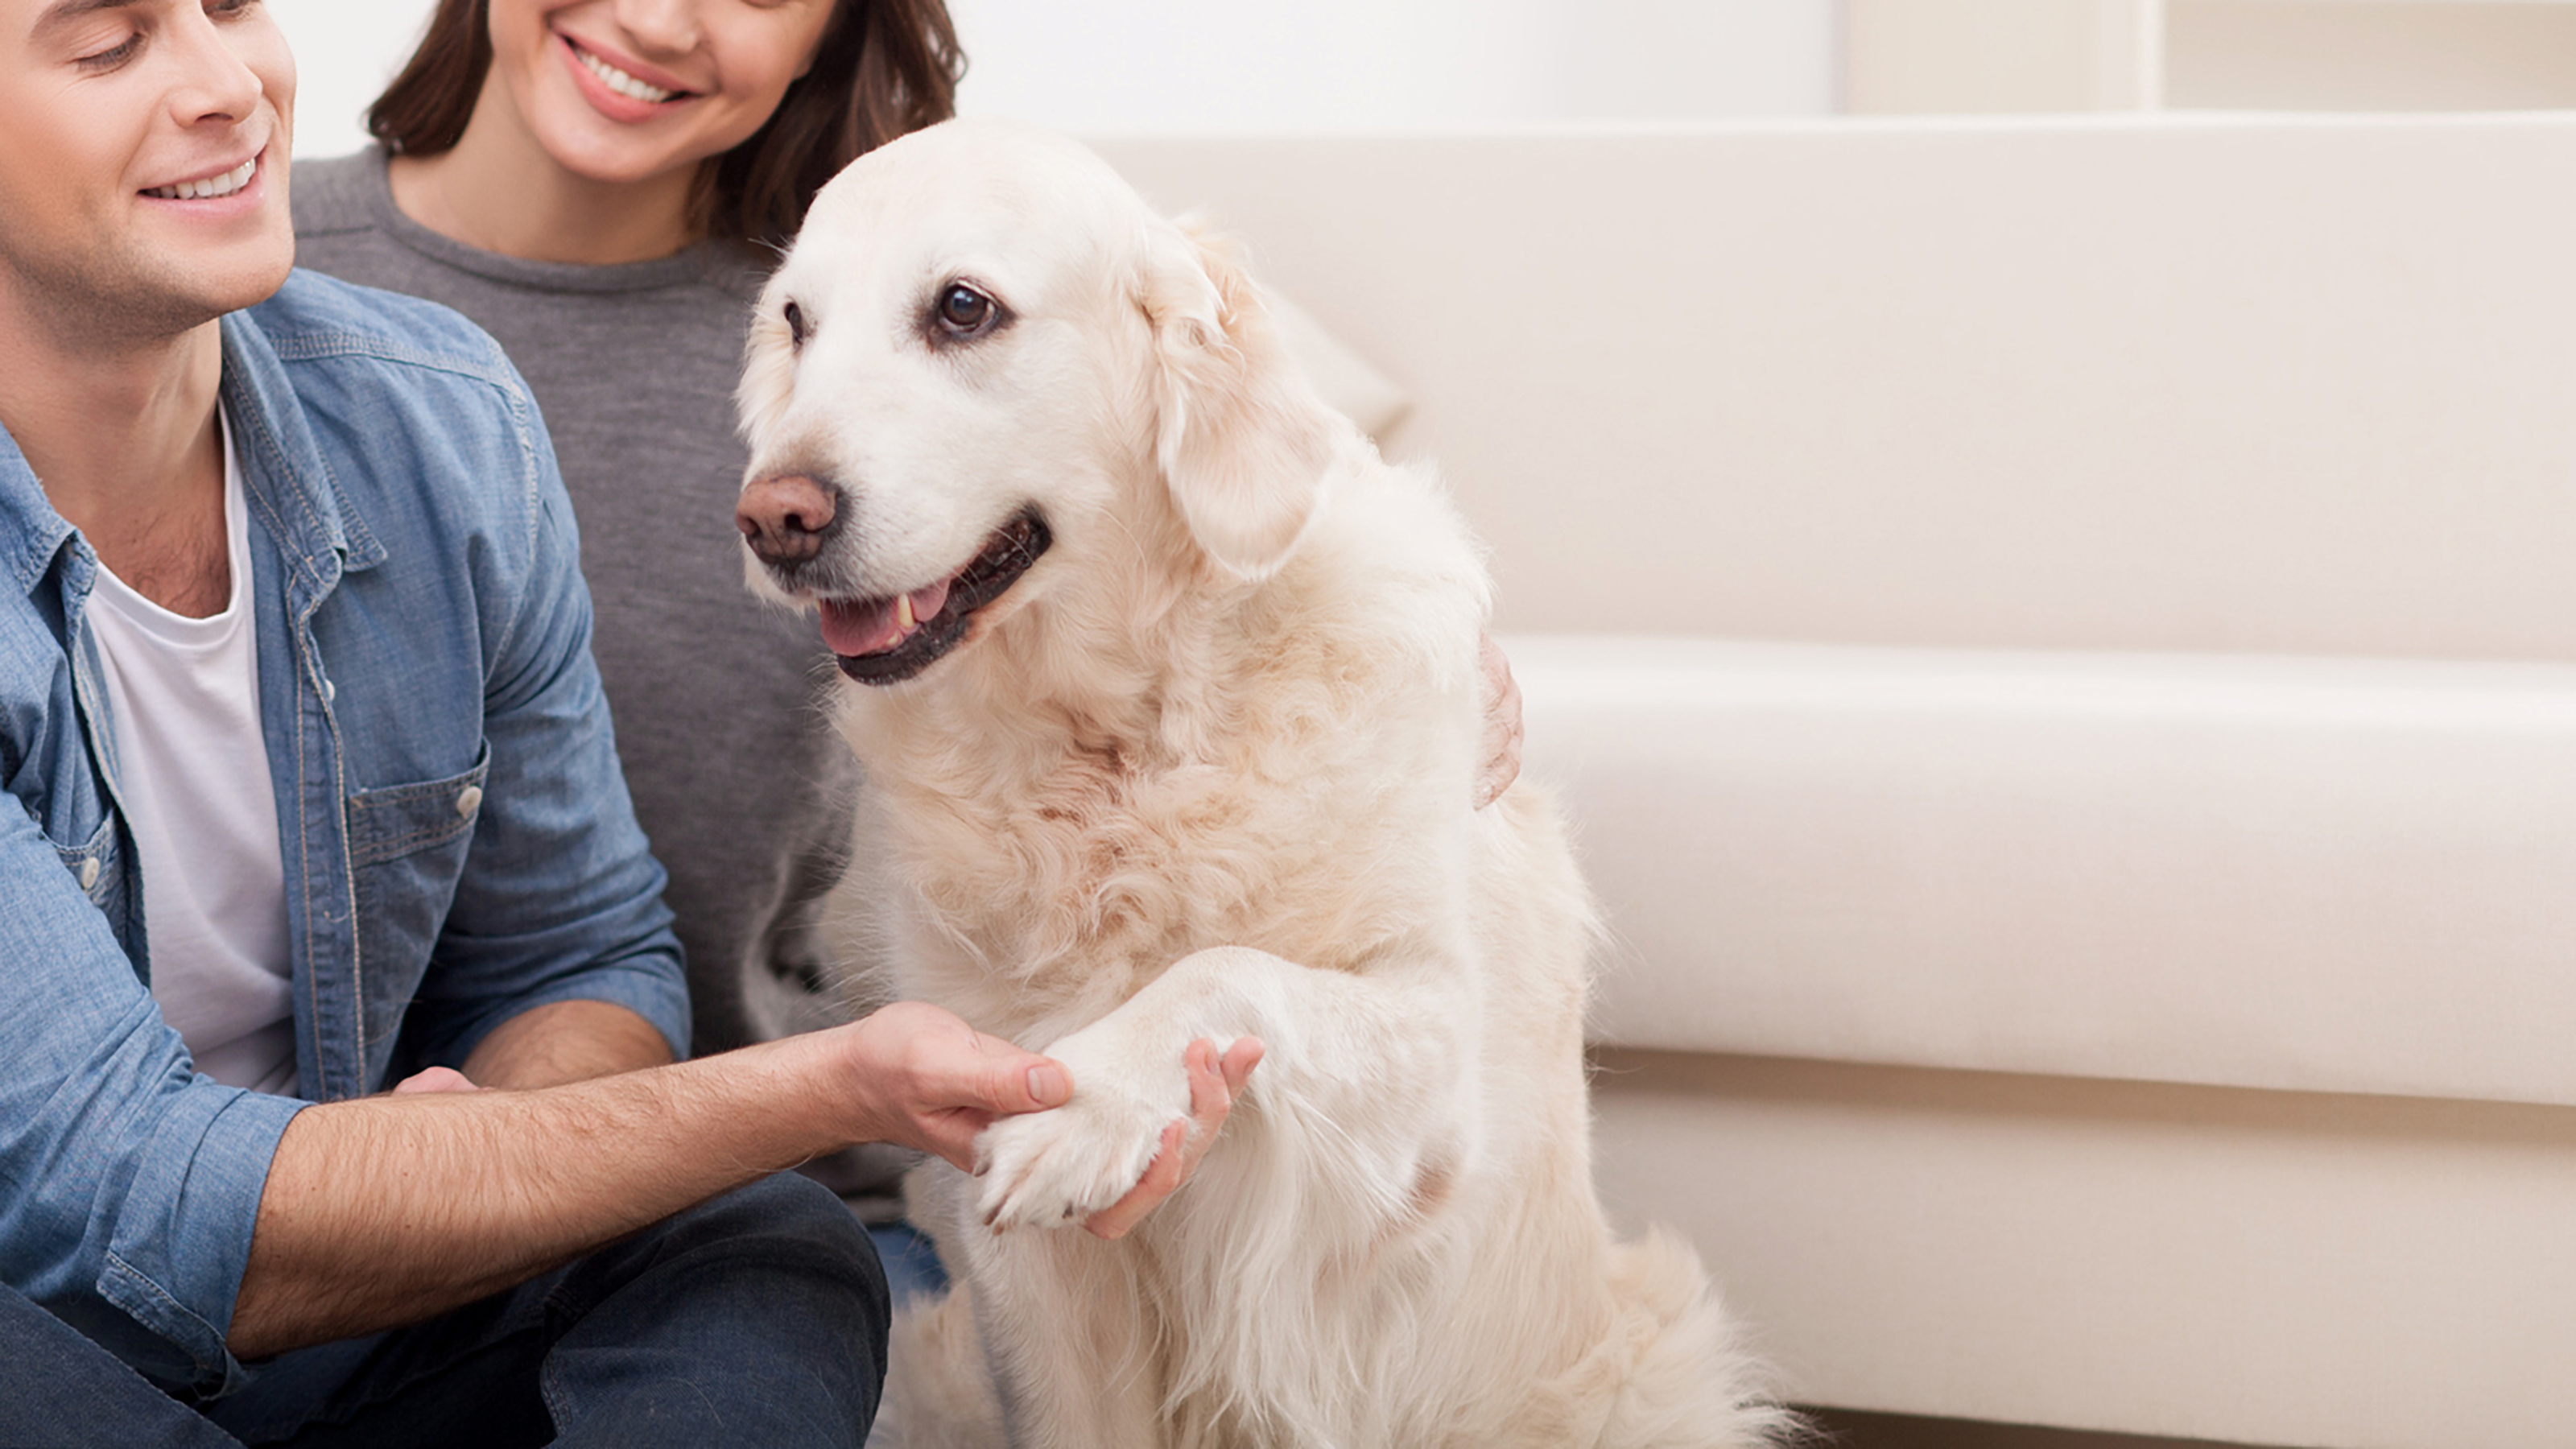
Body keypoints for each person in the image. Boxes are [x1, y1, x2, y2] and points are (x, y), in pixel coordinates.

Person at [0, 2, 1248, 1443]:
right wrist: (830, 1080)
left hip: (409, 1270)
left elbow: (575, 951)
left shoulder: (443, 415)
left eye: (231, 6)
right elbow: (110, 1206)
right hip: (60, 1300)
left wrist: (484, 1161)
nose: (227, 86)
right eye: (110, 43)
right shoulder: (290, 251)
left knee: (765, 1249)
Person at [286, 0, 1520, 1264]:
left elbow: (1248, 403)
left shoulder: (888, 250)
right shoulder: (225, 256)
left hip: (800, 1192)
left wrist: (1430, 629)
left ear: (835, 35)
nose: (657, 19)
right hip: (346, 1190)